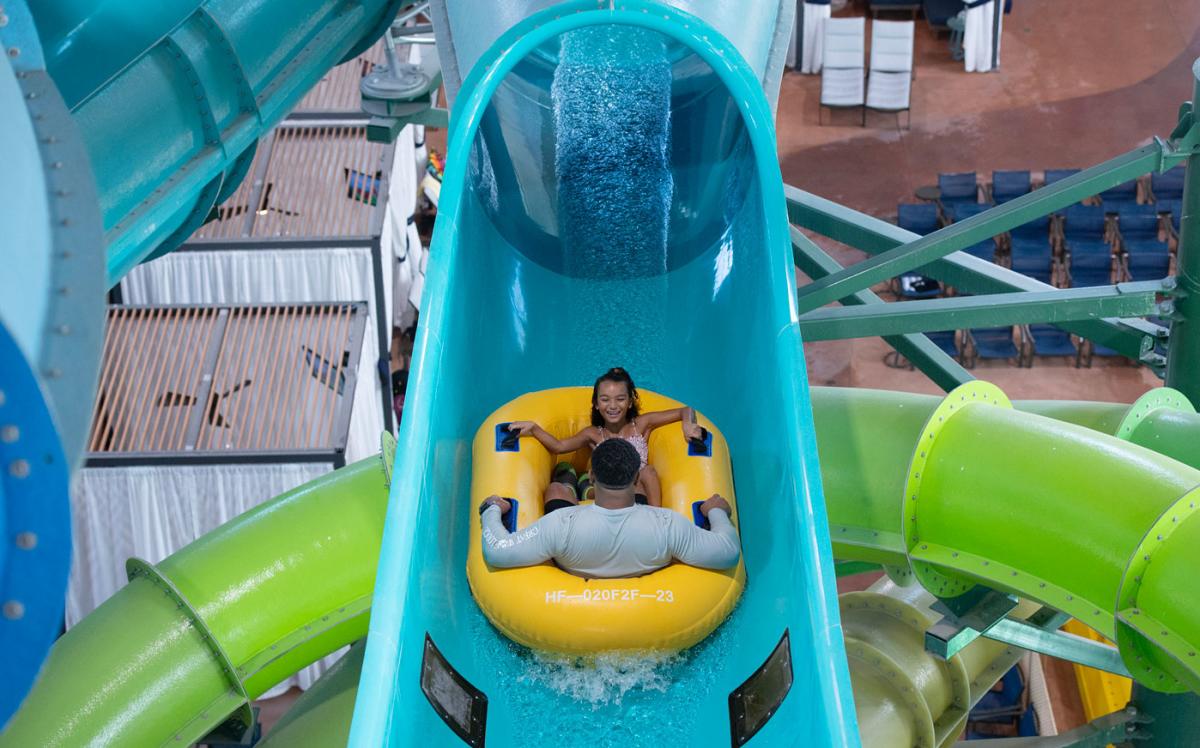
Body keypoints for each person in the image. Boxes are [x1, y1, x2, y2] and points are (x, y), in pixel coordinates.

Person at [479, 438, 740, 579]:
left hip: (571, 585)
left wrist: (492, 509)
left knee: (558, 488)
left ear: (592, 478)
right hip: (648, 602)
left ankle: (569, 480)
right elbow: (728, 553)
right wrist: (715, 511)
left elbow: (497, 552)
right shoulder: (668, 525)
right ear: (637, 479)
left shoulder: (560, 524)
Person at [506, 367, 703, 508]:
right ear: (596, 404)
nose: (613, 406)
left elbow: (685, 410)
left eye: (620, 399)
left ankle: (657, 517)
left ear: (629, 402)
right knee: (568, 485)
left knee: (648, 472)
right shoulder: (594, 433)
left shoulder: (641, 424)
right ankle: (576, 484)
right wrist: (534, 428)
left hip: (632, 487)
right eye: (605, 399)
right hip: (602, 486)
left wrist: (688, 426)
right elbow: (559, 446)